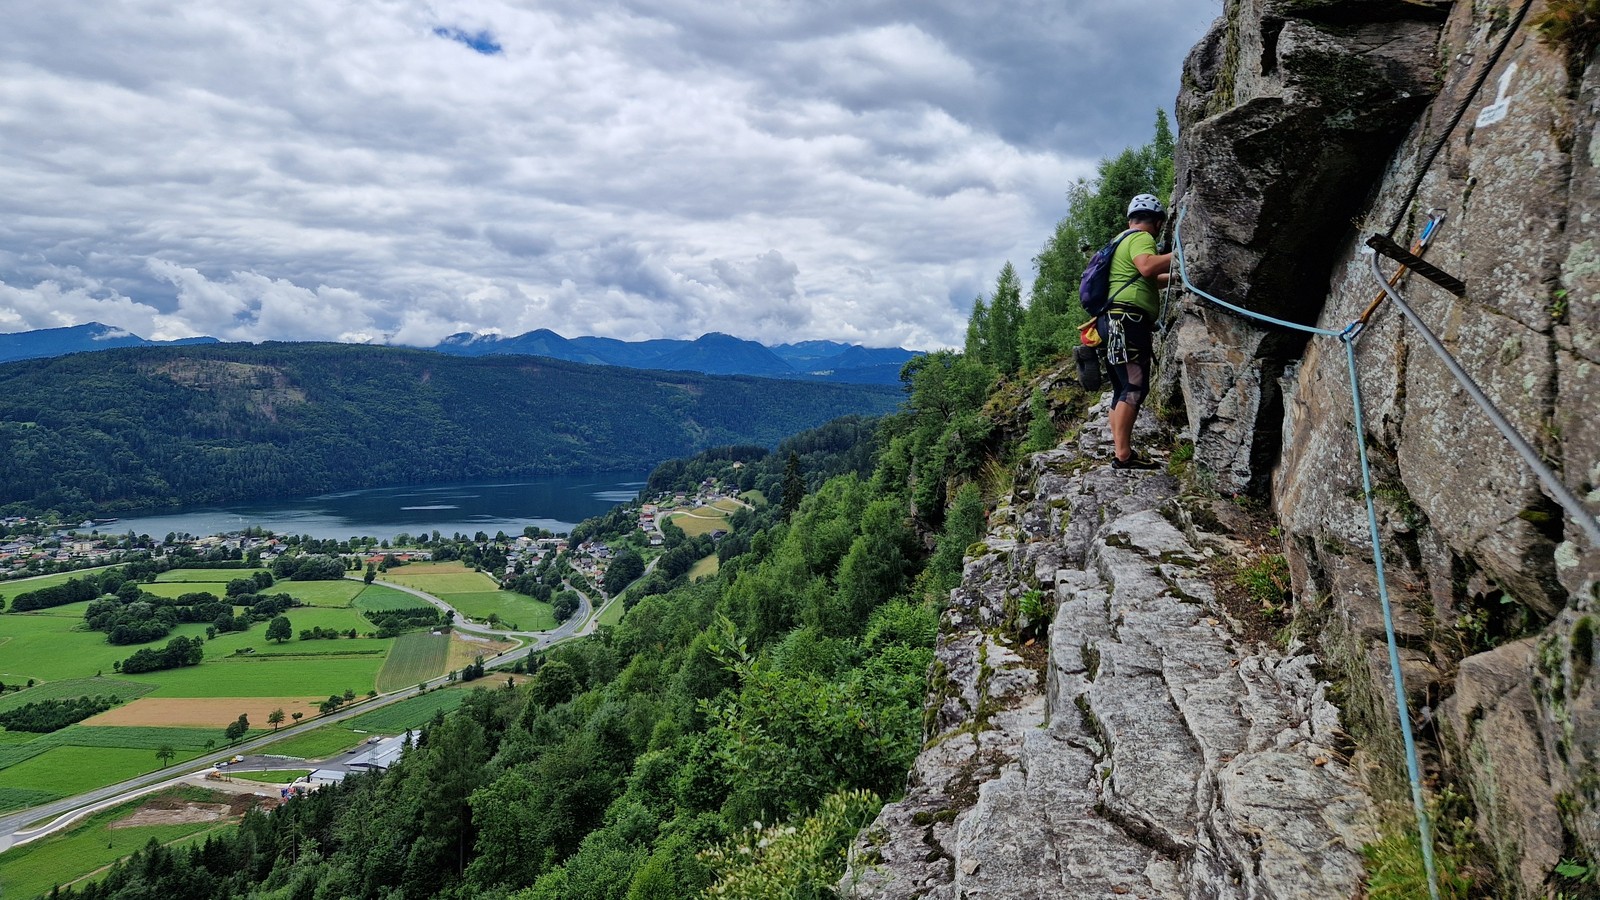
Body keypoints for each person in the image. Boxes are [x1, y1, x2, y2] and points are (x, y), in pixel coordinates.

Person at [1101, 193, 1171, 469]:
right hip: (1128, 322)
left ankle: (1120, 449)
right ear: (1156, 222)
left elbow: (1146, 280)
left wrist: (1176, 276)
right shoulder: (1142, 238)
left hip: (1111, 321)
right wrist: (1180, 255)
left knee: (1121, 387)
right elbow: (1146, 267)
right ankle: (1123, 454)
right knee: (1134, 387)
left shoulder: (1119, 241)